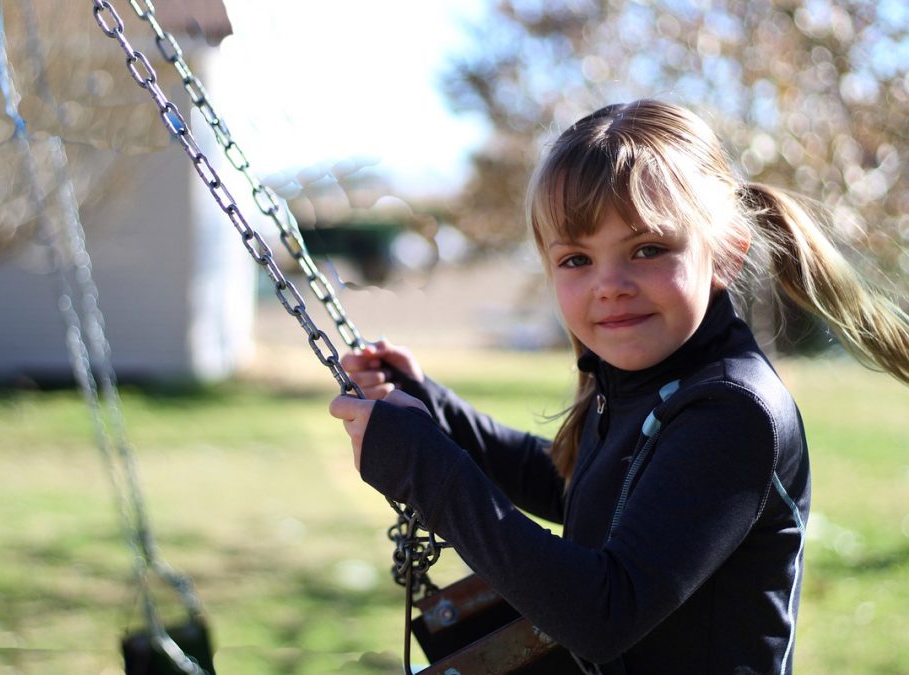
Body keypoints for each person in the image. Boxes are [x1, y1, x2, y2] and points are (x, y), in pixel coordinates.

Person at [328, 99, 909, 674]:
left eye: (647, 249)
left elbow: (601, 614)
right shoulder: (642, 381)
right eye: (577, 259)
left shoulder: (733, 411)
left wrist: (427, 469)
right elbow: (578, 485)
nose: (610, 285)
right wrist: (437, 410)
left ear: (725, 255)